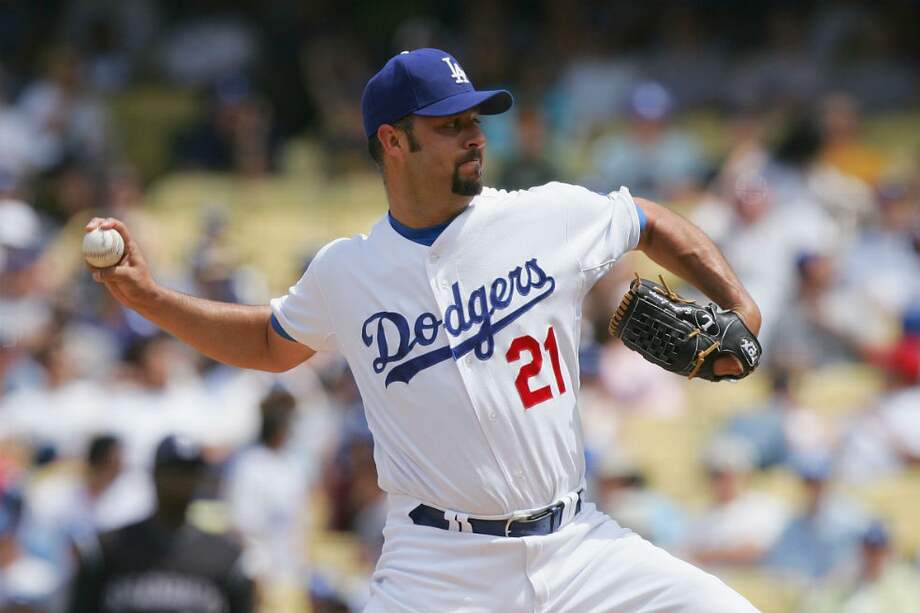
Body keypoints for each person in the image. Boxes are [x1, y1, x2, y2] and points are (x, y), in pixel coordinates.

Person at [86, 48, 762, 612]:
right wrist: (147, 298)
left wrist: (740, 305)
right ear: (392, 139)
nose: (475, 135)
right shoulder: (348, 271)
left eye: (476, 119)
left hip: (575, 544)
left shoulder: (545, 216)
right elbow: (266, 341)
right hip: (439, 566)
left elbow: (646, 219)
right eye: (450, 124)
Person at [67, 435, 253, 613]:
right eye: (173, 471)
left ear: (200, 479)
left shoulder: (225, 557)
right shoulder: (107, 549)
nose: (180, 482)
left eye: (188, 473)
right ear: (154, 473)